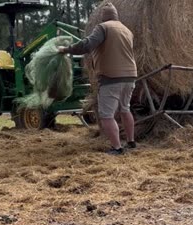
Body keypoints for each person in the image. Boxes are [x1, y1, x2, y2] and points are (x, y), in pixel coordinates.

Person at [58, 2, 137, 155]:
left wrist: (66, 50)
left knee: (106, 115)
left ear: (103, 17)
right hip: (130, 76)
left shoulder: (103, 27)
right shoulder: (127, 30)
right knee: (125, 109)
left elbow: (87, 45)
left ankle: (117, 148)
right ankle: (131, 142)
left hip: (111, 77)